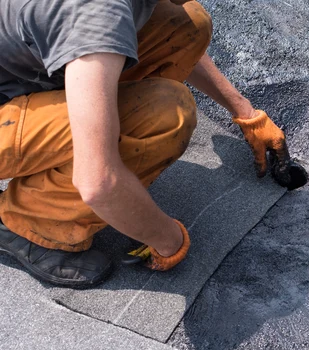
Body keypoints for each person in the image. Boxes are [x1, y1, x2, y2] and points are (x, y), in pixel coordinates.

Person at [0, 0, 292, 287]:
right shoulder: (97, 14)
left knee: (186, 21)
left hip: (20, 72)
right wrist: (168, 239)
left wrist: (245, 112)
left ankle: (94, 121)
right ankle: (25, 224)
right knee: (166, 114)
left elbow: (135, 33)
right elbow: (98, 182)